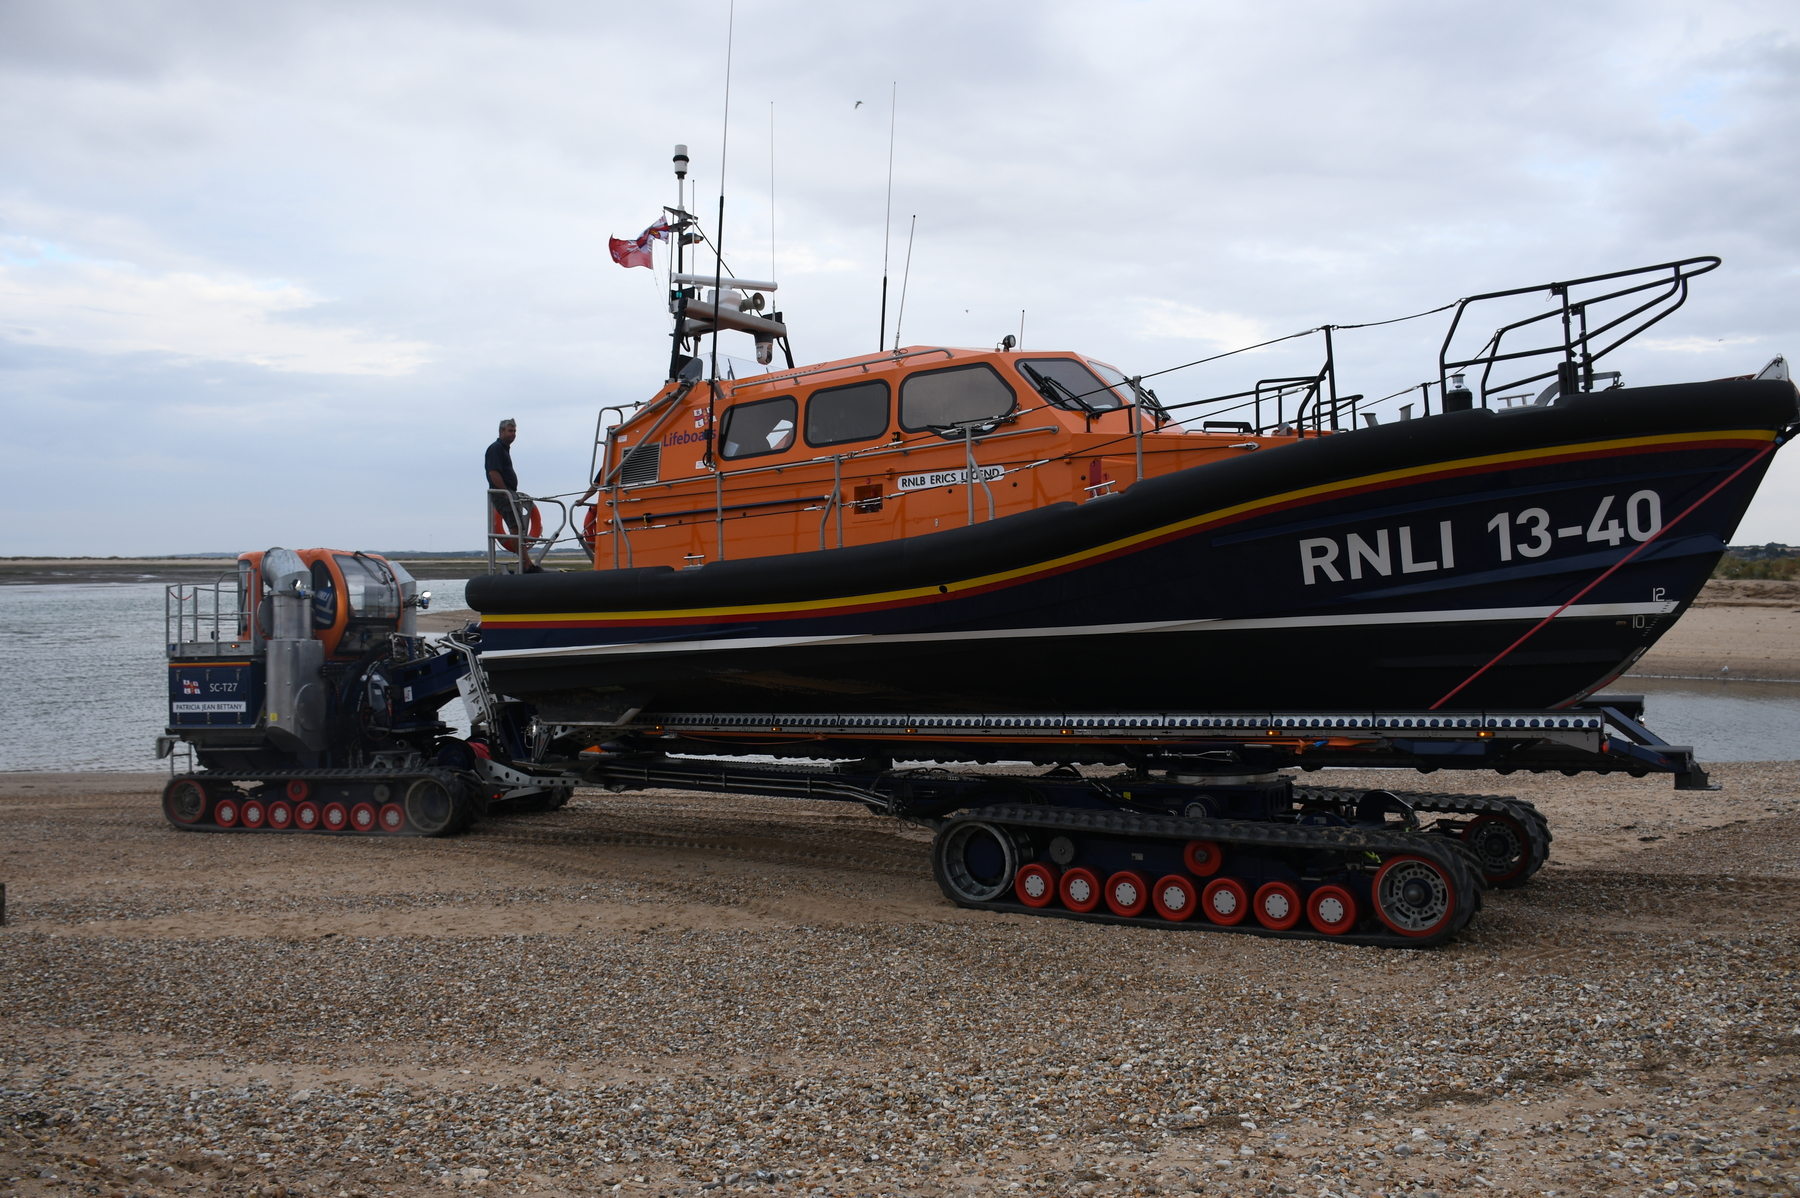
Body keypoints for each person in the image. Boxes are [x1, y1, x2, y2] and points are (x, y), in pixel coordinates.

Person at [485, 419, 541, 570]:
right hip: (502, 493)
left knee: (519, 527)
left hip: (509, 492)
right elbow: (493, 472)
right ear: (501, 431)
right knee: (515, 526)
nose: (513, 434)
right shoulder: (496, 448)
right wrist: (505, 492)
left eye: (514, 431)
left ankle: (526, 562)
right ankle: (526, 564)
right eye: (510, 431)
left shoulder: (504, 449)